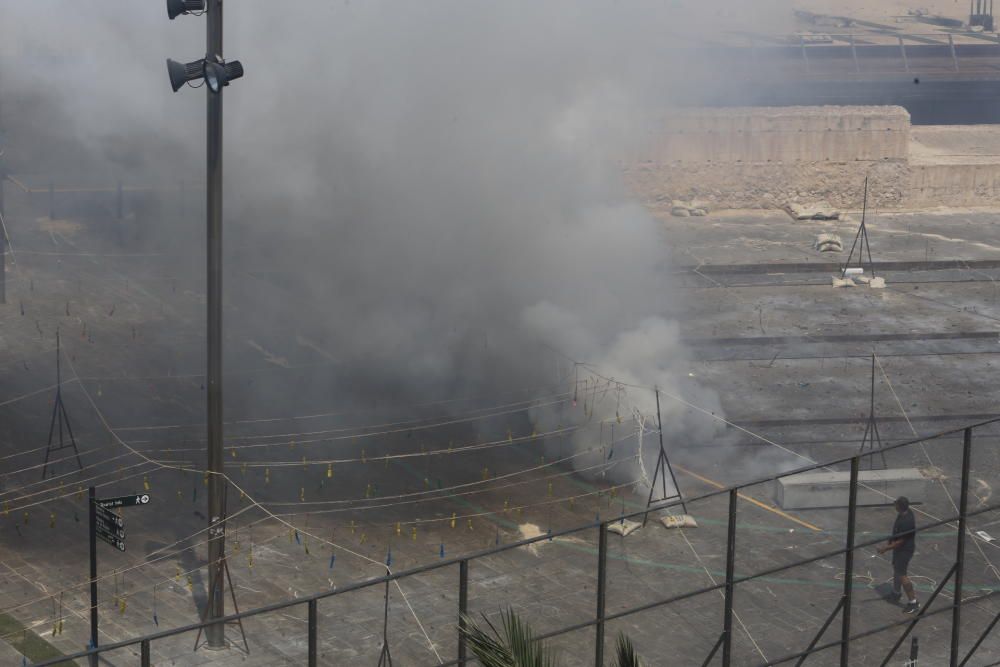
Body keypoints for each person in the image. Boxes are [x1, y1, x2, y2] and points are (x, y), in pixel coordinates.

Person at [878, 496, 919, 614]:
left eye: (896, 504)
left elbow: (901, 541)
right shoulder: (903, 514)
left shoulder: (907, 521)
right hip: (900, 549)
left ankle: (913, 602)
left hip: (904, 551)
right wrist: (890, 542)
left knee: (902, 575)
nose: (894, 505)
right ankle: (896, 593)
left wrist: (885, 548)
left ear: (899, 507)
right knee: (897, 570)